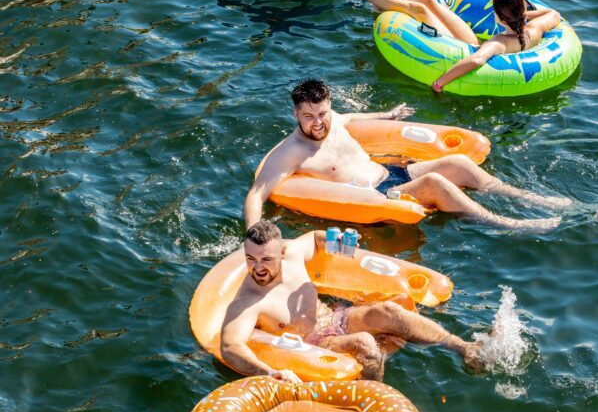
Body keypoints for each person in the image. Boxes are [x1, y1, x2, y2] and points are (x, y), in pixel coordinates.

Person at [244, 79, 570, 231]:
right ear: (295, 115)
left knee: (457, 163)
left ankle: (528, 197)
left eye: (323, 114)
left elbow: (351, 120)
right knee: (434, 183)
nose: (318, 123)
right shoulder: (292, 152)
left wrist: (388, 115)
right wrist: (254, 233)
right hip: (377, 195)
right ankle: (508, 224)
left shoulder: (333, 120)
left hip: (390, 172)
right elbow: (257, 193)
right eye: (309, 117)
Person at [221, 220, 485, 382]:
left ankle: (462, 347)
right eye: (251, 259)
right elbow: (231, 346)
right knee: (365, 343)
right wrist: (268, 372)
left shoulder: (294, 255)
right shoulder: (248, 300)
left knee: (389, 310)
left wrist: (336, 242)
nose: (258, 268)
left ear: (282, 251)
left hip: (336, 317)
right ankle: (378, 403)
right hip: (313, 343)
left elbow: (315, 238)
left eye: (266, 259)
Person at [346, 0, 561, 92]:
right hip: (474, 42)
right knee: (430, 3)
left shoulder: (499, 42)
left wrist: (439, 83)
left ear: (499, 16)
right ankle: (378, 1)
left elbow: (476, 59)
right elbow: (554, 14)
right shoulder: (534, 29)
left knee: (420, 10)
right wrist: (523, 18)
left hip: (461, 47)